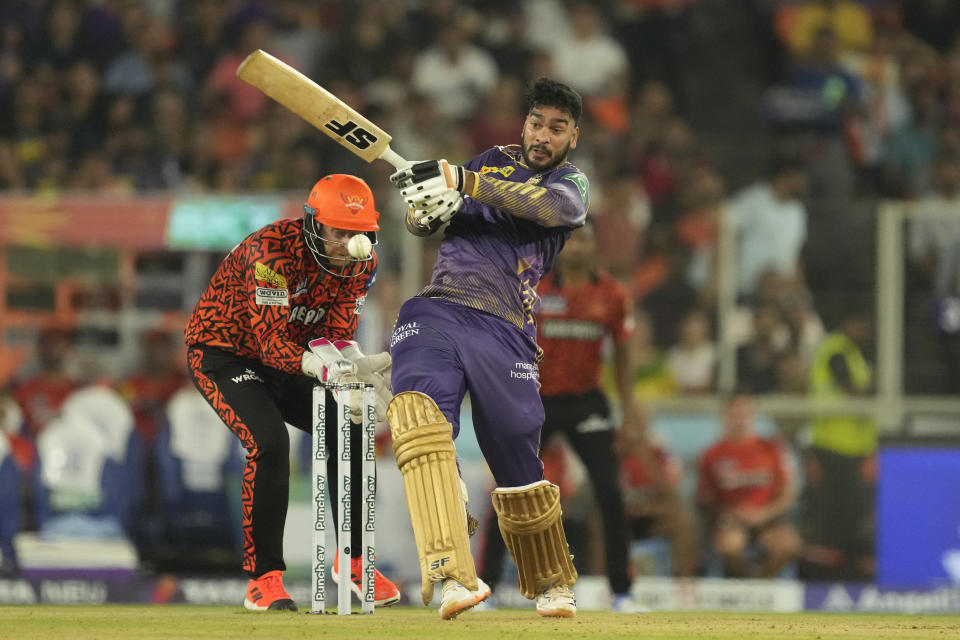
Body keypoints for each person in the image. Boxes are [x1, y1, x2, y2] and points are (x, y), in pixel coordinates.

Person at [385, 77, 587, 619]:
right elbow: (437, 218)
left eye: (556, 128)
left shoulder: (571, 184)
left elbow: (547, 211)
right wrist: (425, 212)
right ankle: (452, 574)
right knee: (416, 418)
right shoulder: (489, 160)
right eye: (536, 123)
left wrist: (463, 179)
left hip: (505, 329)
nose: (543, 135)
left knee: (518, 460)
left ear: (573, 137)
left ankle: (549, 583)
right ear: (523, 123)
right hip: (440, 309)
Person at [184, 174, 399, 611]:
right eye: (338, 231)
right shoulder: (271, 253)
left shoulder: (363, 264)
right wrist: (326, 370)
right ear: (314, 224)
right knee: (268, 443)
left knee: (351, 431)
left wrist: (350, 364)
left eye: (356, 233)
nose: (346, 243)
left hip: (294, 357)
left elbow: (336, 333)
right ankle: (264, 579)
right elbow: (270, 343)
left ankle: (354, 561)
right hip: (224, 355)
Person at [477, 220, 645, 612]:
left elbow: (623, 355)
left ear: (594, 246)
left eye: (584, 239)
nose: (576, 247)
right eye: (570, 241)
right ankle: (485, 587)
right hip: (536, 401)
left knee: (610, 491)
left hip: (588, 402)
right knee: (511, 487)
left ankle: (622, 593)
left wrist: (630, 411)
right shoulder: (531, 288)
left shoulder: (614, 296)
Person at [697, 393, 801, 578]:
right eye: (735, 413)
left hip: (767, 517)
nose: (740, 419)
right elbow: (704, 498)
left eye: (744, 413)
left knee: (787, 544)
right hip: (731, 519)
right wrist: (729, 512)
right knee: (729, 545)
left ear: (753, 415)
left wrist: (766, 513)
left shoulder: (772, 449)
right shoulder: (712, 454)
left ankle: (764, 584)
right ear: (725, 416)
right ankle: (745, 582)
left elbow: (789, 491)